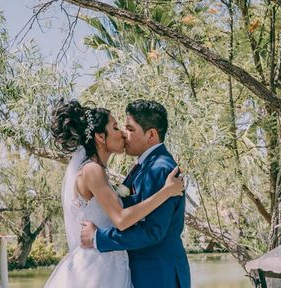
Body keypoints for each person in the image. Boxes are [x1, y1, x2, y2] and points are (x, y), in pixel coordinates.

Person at [43, 99, 184, 288]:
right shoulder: (93, 170)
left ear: (151, 134)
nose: (123, 134)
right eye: (117, 127)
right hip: (98, 267)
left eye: (129, 129)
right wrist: (166, 192)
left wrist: (98, 237)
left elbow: (151, 230)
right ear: (100, 137)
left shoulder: (158, 168)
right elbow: (121, 219)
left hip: (150, 272)